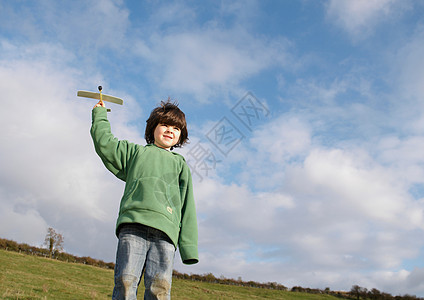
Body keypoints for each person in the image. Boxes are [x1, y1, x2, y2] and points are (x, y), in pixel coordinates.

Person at [91, 98, 198, 300]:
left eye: (176, 128)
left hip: (166, 234)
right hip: (133, 226)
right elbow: (105, 143)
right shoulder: (135, 153)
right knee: (125, 281)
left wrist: (189, 246)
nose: (169, 130)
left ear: (181, 135)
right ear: (152, 129)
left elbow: (187, 205)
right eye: (164, 124)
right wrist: (100, 115)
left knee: (159, 289)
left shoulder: (180, 164)